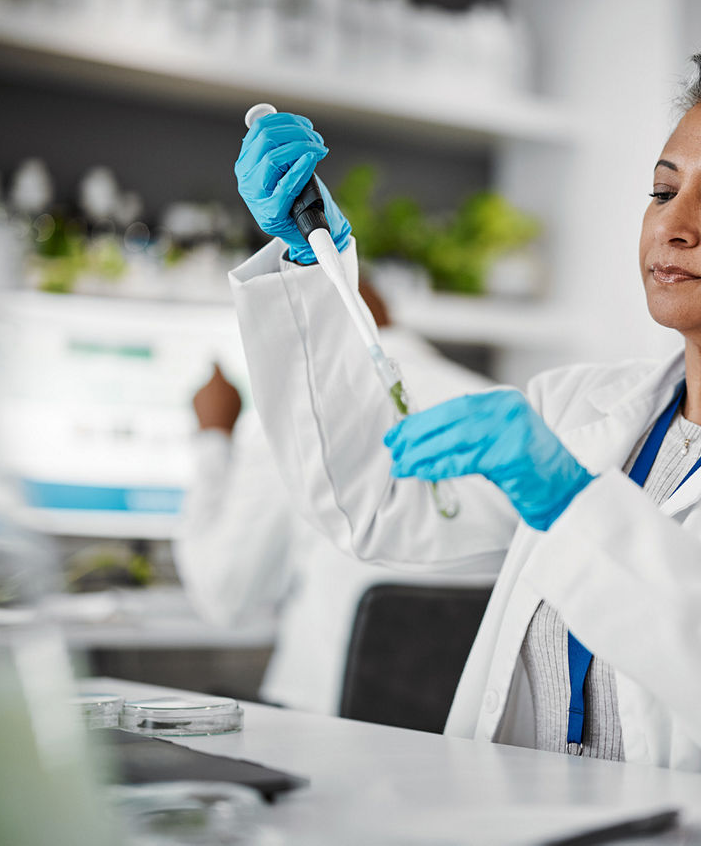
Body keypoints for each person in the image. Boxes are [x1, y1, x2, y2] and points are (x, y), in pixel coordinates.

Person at [228, 39, 701, 784]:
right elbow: (372, 504)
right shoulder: (579, 407)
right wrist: (308, 263)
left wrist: (573, 502)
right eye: (661, 190)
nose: (672, 225)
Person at [172, 283, 497, 715]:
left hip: (327, 735)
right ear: (382, 305)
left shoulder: (301, 423)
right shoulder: (501, 409)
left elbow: (223, 598)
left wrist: (213, 437)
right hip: (467, 737)